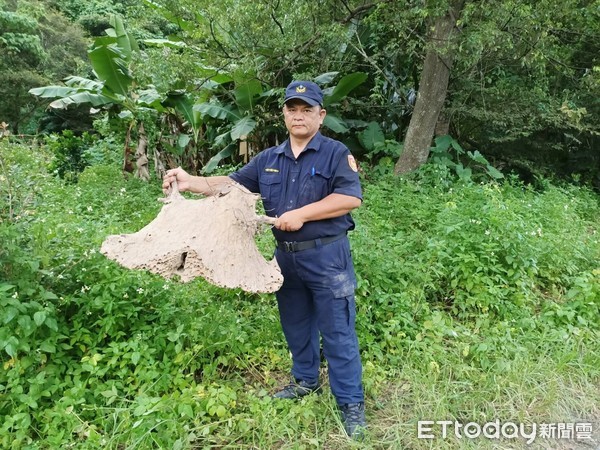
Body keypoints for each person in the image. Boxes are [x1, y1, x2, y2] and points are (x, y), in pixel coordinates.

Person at [162, 80, 366, 439]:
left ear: (321, 115)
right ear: (284, 114)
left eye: (307, 110)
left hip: (327, 257)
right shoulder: (269, 159)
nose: (298, 116)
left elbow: (350, 199)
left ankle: (350, 404)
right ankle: (305, 381)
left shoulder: (336, 153)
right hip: (284, 260)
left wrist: (302, 214)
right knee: (296, 325)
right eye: (292, 109)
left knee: (338, 331)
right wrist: (191, 181)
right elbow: (231, 185)